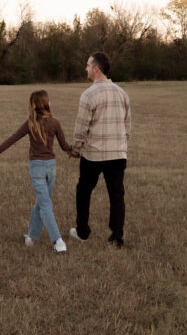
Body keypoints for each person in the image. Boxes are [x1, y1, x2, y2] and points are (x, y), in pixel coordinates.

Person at [0, 89, 71, 253]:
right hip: (51, 167)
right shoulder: (55, 122)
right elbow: (65, 147)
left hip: (37, 168)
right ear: (47, 103)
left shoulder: (30, 123)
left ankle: (58, 241)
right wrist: (74, 152)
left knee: (44, 203)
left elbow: (11, 139)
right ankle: (32, 237)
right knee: (42, 202)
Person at [68, 51, 131, 248]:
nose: (85, 69)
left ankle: (82, 231)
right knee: (116, 195)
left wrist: (75, 149)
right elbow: (127, 127)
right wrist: (120, 145)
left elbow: (81, 128)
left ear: (96, 69)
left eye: (87, 66)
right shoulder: (122, 93)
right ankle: (117, 237)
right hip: (117, 154)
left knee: (84, 190)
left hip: (94, 154)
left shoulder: (88, 95)